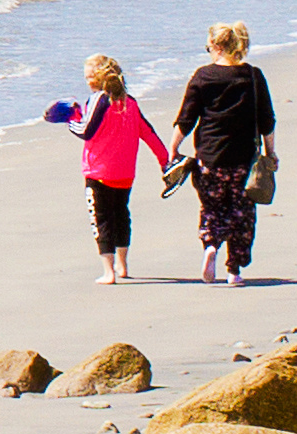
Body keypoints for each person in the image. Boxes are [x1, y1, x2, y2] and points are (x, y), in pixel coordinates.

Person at [46, 58, 176, 285]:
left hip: (99, 172)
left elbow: (86, 130)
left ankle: (109, 272)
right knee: (121, 215)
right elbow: (149, 133)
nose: (87, 81)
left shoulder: (99, 100)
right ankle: (123, 265)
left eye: (88, 77)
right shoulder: (130, 102)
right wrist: (165, 162)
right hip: (125, 173)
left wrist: (71, 117)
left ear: (99, 78)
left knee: (101, 219)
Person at [176, 25, 276, 285]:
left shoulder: (203, 76)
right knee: (242, 212)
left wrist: (173, 149)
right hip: (244, 159)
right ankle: (234, 271)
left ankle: (211, 245)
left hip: (209, 157)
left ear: (216, 46)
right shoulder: (253, 76)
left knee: (212, 206)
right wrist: (271, 152)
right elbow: (267, 120)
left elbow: (187, 119)